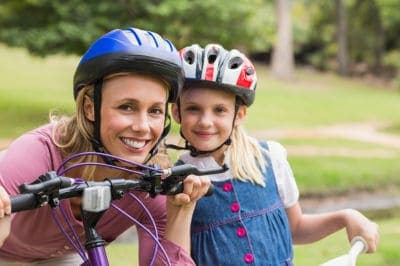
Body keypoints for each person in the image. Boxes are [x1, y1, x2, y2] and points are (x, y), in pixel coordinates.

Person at [0, 28, 211, 265]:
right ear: (90, 108)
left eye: (154, 111)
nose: (143, 127)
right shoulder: (37, 155)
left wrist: (180, 212)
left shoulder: (149, 180)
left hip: (61, 257)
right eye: (127, 107)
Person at [168, 43, 379, 265]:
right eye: (193, 108)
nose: (205, 121)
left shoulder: (270, 159)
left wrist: (345, 216)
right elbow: (177, 258)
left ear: (239, 115)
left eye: (219, 110)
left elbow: (295, 228)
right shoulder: (177, 181)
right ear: (177, 112)